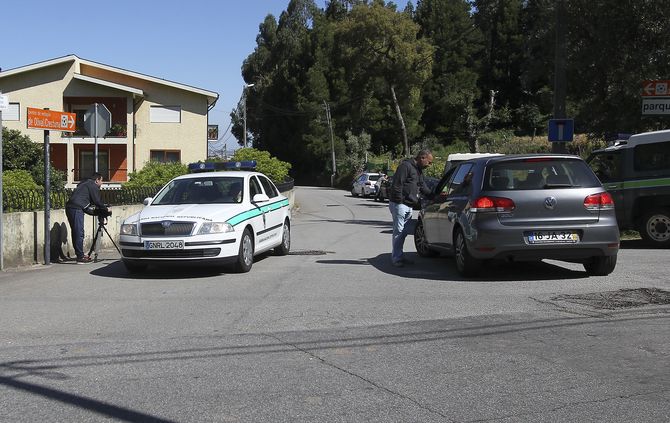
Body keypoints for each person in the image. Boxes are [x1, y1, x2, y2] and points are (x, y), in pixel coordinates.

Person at [388, 149, 434, 267]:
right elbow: (397, 184)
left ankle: (400, 255)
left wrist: (434, 196)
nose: (429, 165)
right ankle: (396, 258)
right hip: (400, 204)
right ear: (422, 158)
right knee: (399, 231)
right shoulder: (405, 166)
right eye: (429, 162)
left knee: (403, 232)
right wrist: (399, 202)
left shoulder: (418, 170)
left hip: (408, 205)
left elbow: (422, 186)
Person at [65, 172, 107, 264]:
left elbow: (86, 207)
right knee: (79, 232)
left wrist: (98, 212)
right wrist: (105, 209)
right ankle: (80, 257)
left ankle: (80, 255)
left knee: (76, 231)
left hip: (72, 208)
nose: (102, 183)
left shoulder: (85, 184)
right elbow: (97, 201)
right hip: (76, 209)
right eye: (101, 180)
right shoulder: (92, 185)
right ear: (97, 180)